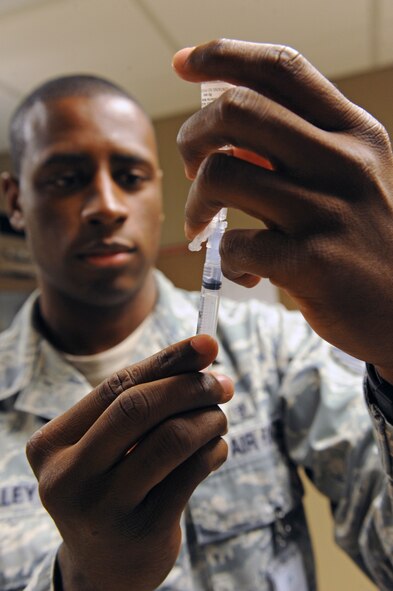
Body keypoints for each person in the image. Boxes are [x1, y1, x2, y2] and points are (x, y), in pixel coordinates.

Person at [1, 37, 393, 591]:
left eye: (131, 177)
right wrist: (82, 580)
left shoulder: (271, 347)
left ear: (160, 195)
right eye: (67, 180)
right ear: (14, 200)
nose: (107, 206)